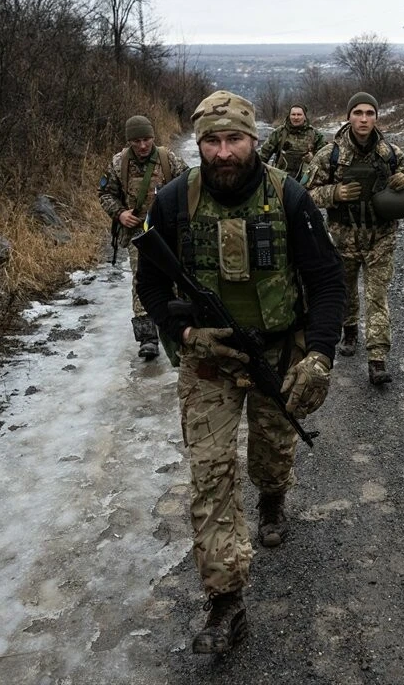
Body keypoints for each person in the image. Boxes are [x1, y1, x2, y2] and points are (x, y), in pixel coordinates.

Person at [135, 90, 344, 654]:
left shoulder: (290, 198)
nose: (223, 152)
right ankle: (226, 603)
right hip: (208, 362)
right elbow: (150, 283)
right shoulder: (173, 202)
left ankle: (272, 496)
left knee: (272, 453)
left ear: (254, 139)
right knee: (210, 475)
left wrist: (319, 356)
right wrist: (184, 334)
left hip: (278, 353)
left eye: (234, 139)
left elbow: (327, 282)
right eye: (212, 141)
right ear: (199, 143)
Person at [305, 91, 404, 385]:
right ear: (349, 117)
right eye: (358, 113)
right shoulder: (329, 155)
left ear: (377, 118)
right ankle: (350, 330)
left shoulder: (391, 154)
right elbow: (305, 194)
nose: (364, 119)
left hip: (381, 237)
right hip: (343, 237)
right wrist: (335, 193)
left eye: (370, 113)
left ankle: (377, 359)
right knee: (346, 291)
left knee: (377, 296)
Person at [98, 115, 188, 359]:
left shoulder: (169, 160)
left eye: (147, 139)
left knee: (177, 281)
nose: (142, 145)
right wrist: (120, 213)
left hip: (168, 232)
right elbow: (105, 193)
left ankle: (178, 333)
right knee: (142, 283)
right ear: (129, 141)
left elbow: (189, 186)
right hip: (139, 233)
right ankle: (147, 338)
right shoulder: (119, 163)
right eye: (136, 141)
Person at [257, 103, 324, 184]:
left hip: (306, 181)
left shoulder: (315, 135)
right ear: (289, 116)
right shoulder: (279, 132)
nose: (296, 117)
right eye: (293, 114)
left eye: (299, 114)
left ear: (304, 116)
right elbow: (263, 155)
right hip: (281, 180)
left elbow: (324, 161)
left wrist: (312, 158)